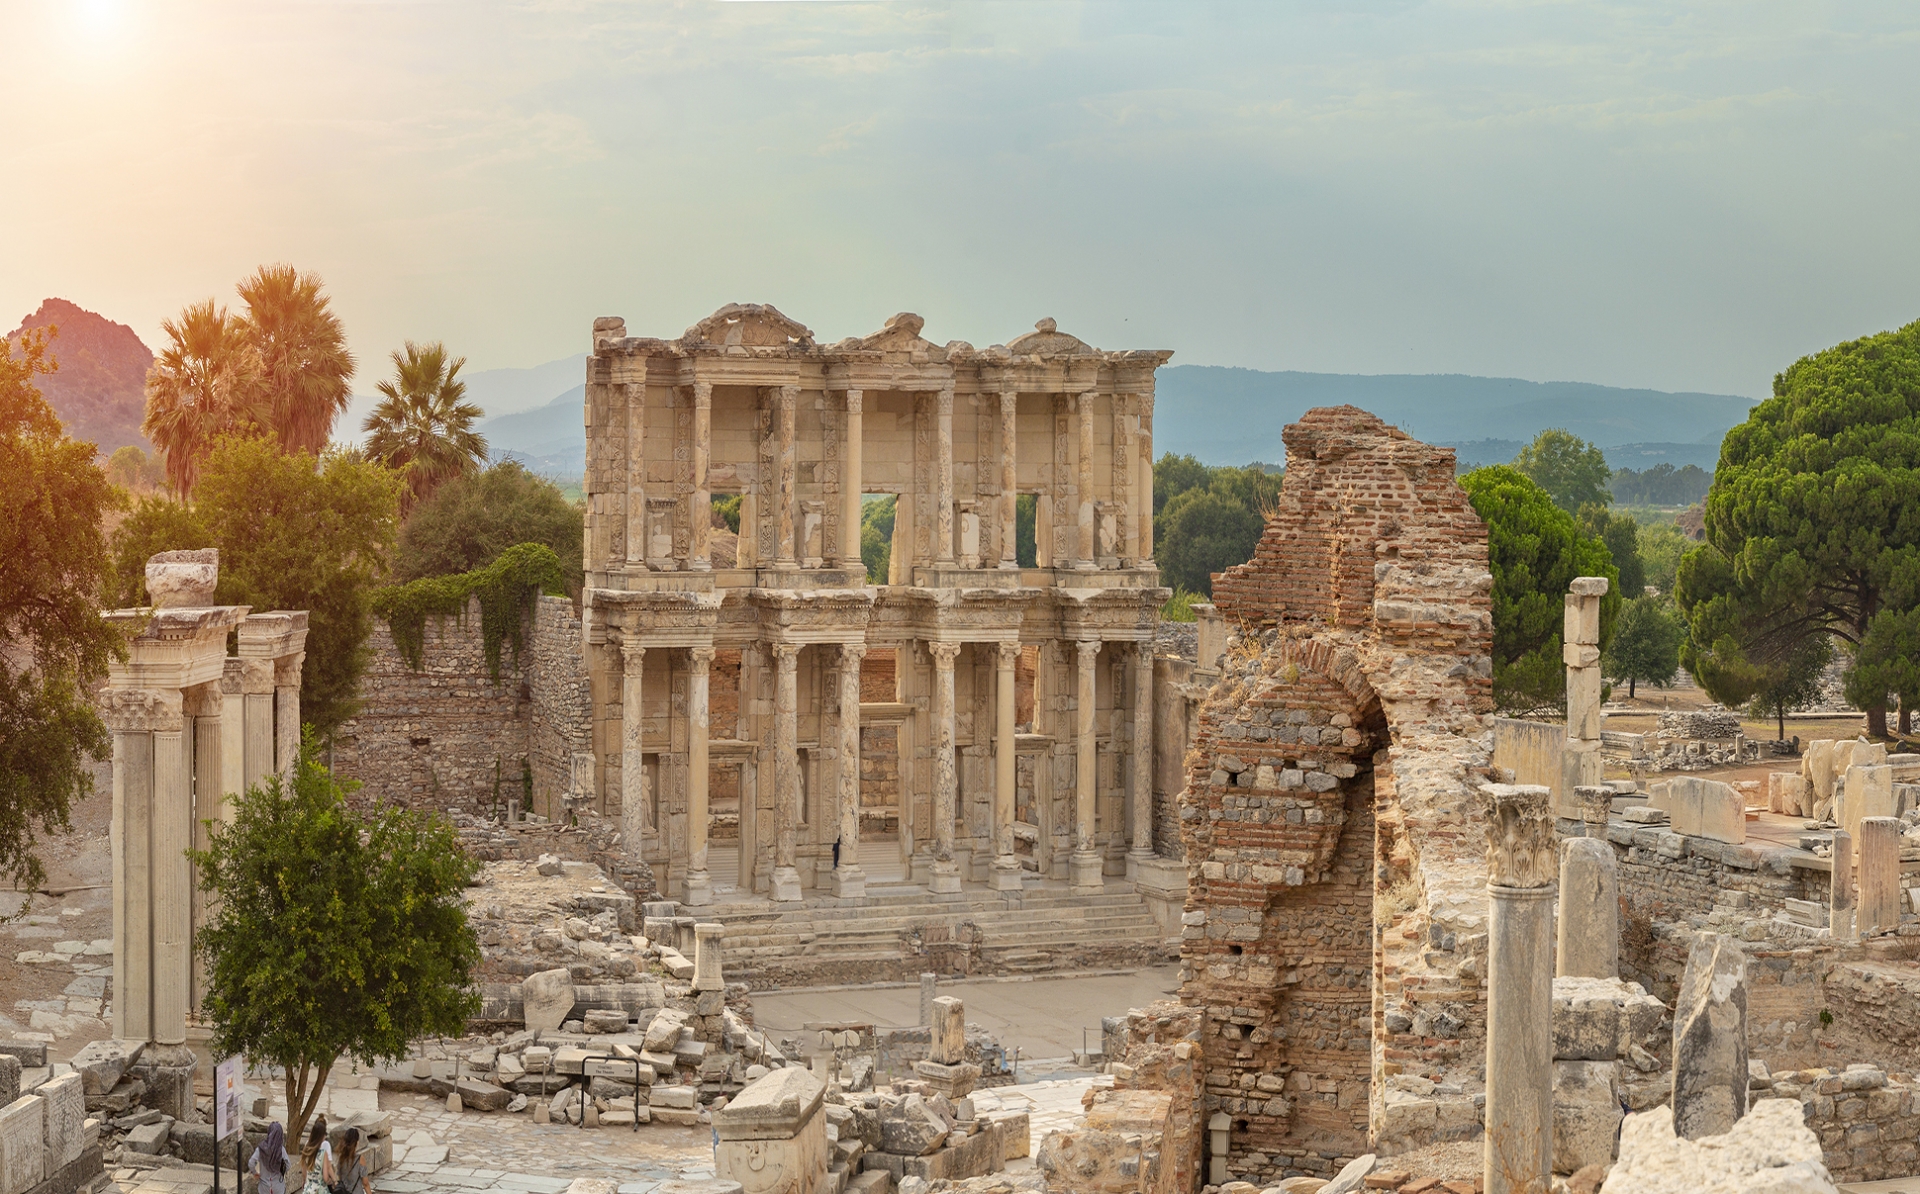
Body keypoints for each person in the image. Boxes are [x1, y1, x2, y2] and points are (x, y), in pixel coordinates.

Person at [249, 1121, 291, 1194]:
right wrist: (282, 1171)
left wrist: (255, 1173)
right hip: (278, 1187)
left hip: (264, 1188)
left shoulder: (261, 1148)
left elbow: (251, 1163)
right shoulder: (281, 1149)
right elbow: (288, 1165)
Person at [331, 1126, 372, 1194]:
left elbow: (339, 1176)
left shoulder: (341, 1158)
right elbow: (365, 1183)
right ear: (356, 1142)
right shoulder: (360, 1159)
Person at [297, 1118, 334, 1194]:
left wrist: (305, 1181)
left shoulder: (306, 1151)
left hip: (308, 1189)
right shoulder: (323, 1154)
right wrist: (332, 1181)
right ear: (322, 1136)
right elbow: (325, 1177)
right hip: (320, 1190)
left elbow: (304, 1173)